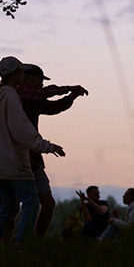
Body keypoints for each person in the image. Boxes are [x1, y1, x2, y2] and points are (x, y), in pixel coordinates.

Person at [0, 56, 65, 247]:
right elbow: (22, 130)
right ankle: (21, 244)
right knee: (31, 203)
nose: (23, 74)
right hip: (15, 164)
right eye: (20, 71)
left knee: (7, 208)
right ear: (14, 74)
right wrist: (47, 146)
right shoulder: (11, 96)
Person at [16, 65, 88, 236]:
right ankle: (7, 243)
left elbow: (54, 107)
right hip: (17, 159)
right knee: (12, 207)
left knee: (47, 204)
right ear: (29, 78)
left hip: (33, 159)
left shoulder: (32, 99)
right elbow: (43, 94)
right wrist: (69, 89)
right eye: (40, 79)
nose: (41, 84)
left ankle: (34, 241)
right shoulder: (18, 94)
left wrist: (72, 96)